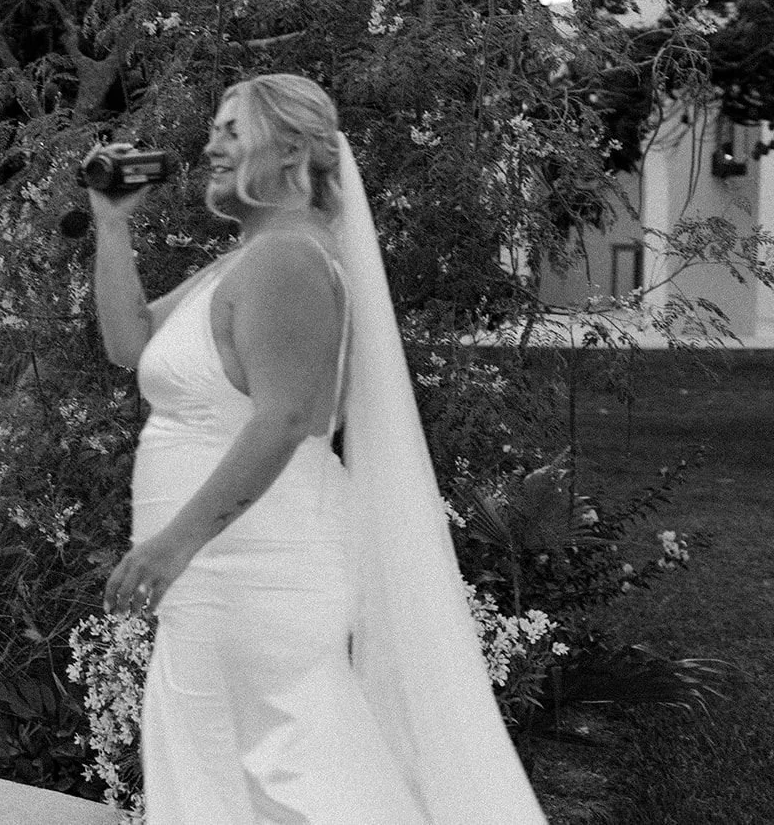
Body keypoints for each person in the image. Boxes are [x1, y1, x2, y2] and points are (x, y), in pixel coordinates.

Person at [90, 74, 546, 824]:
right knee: (219, 775)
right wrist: (112, 225)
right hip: (210, 576)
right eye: (214, 130)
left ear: (291, 149)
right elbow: (128, 343)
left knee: (295, 776)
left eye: (232, 130)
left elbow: (286, 418)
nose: (211, 146)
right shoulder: (245, 259)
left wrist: (174, 544)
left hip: (257, 567)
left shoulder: (289, 261)